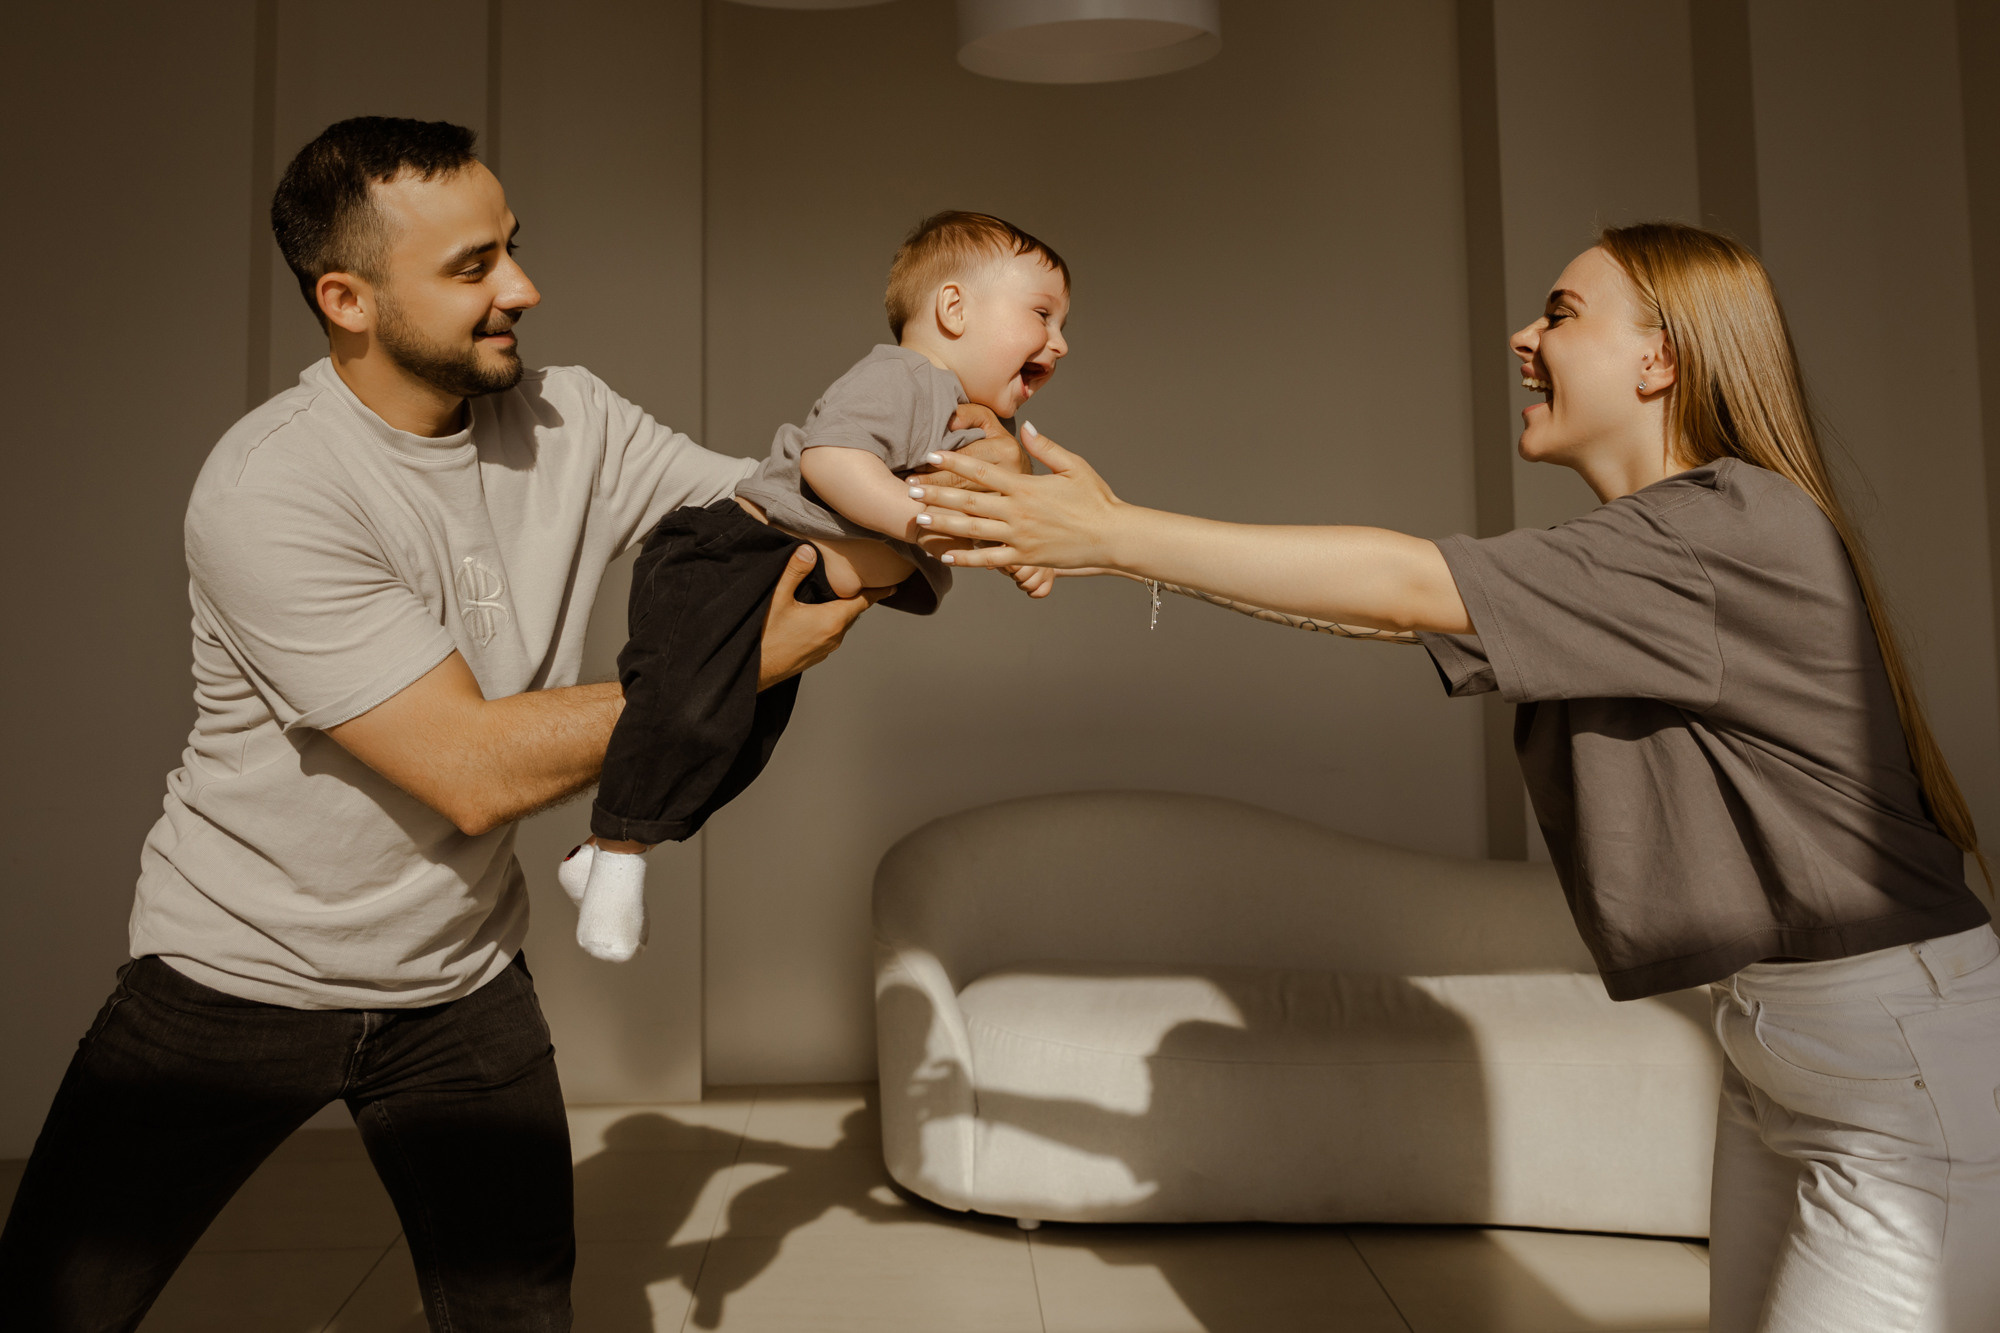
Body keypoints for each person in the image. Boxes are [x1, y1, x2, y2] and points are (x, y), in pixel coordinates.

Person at [0, 115, 1012, 1332]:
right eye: (472, 266)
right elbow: (468, 772)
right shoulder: (274, 485)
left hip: (459, 978)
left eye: (512, 248)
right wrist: (747, 659)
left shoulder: (569, 419)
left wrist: (942, 421)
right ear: (348, 299)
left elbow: (775, 523)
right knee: (54, 1308)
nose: (522, 289)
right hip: (234, 974)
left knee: (516, 1316)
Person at [912, 221, 1999, 1333]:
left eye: (1562, 313)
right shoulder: (1655, 541)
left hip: (1897, 1072)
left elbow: (1397, 584)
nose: (1524, 337)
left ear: (1657, 359)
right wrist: (1108, 538)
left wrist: (1113, 534)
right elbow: (1387, 615)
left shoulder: (1728, 529)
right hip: (1790, 1048)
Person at [561, 210, 1070, 962]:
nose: (1060, 342)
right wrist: (918, 524)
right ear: (954, 309)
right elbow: (832, 461)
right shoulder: (903, 377)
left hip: (788, 583)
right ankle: (618, 854)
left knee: (740, 744)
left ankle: (594, 855)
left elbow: (979, 509)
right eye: (1042, 315)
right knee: (690, 709)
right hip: (729, 556)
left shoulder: (963, 422)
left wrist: (1017, 543)